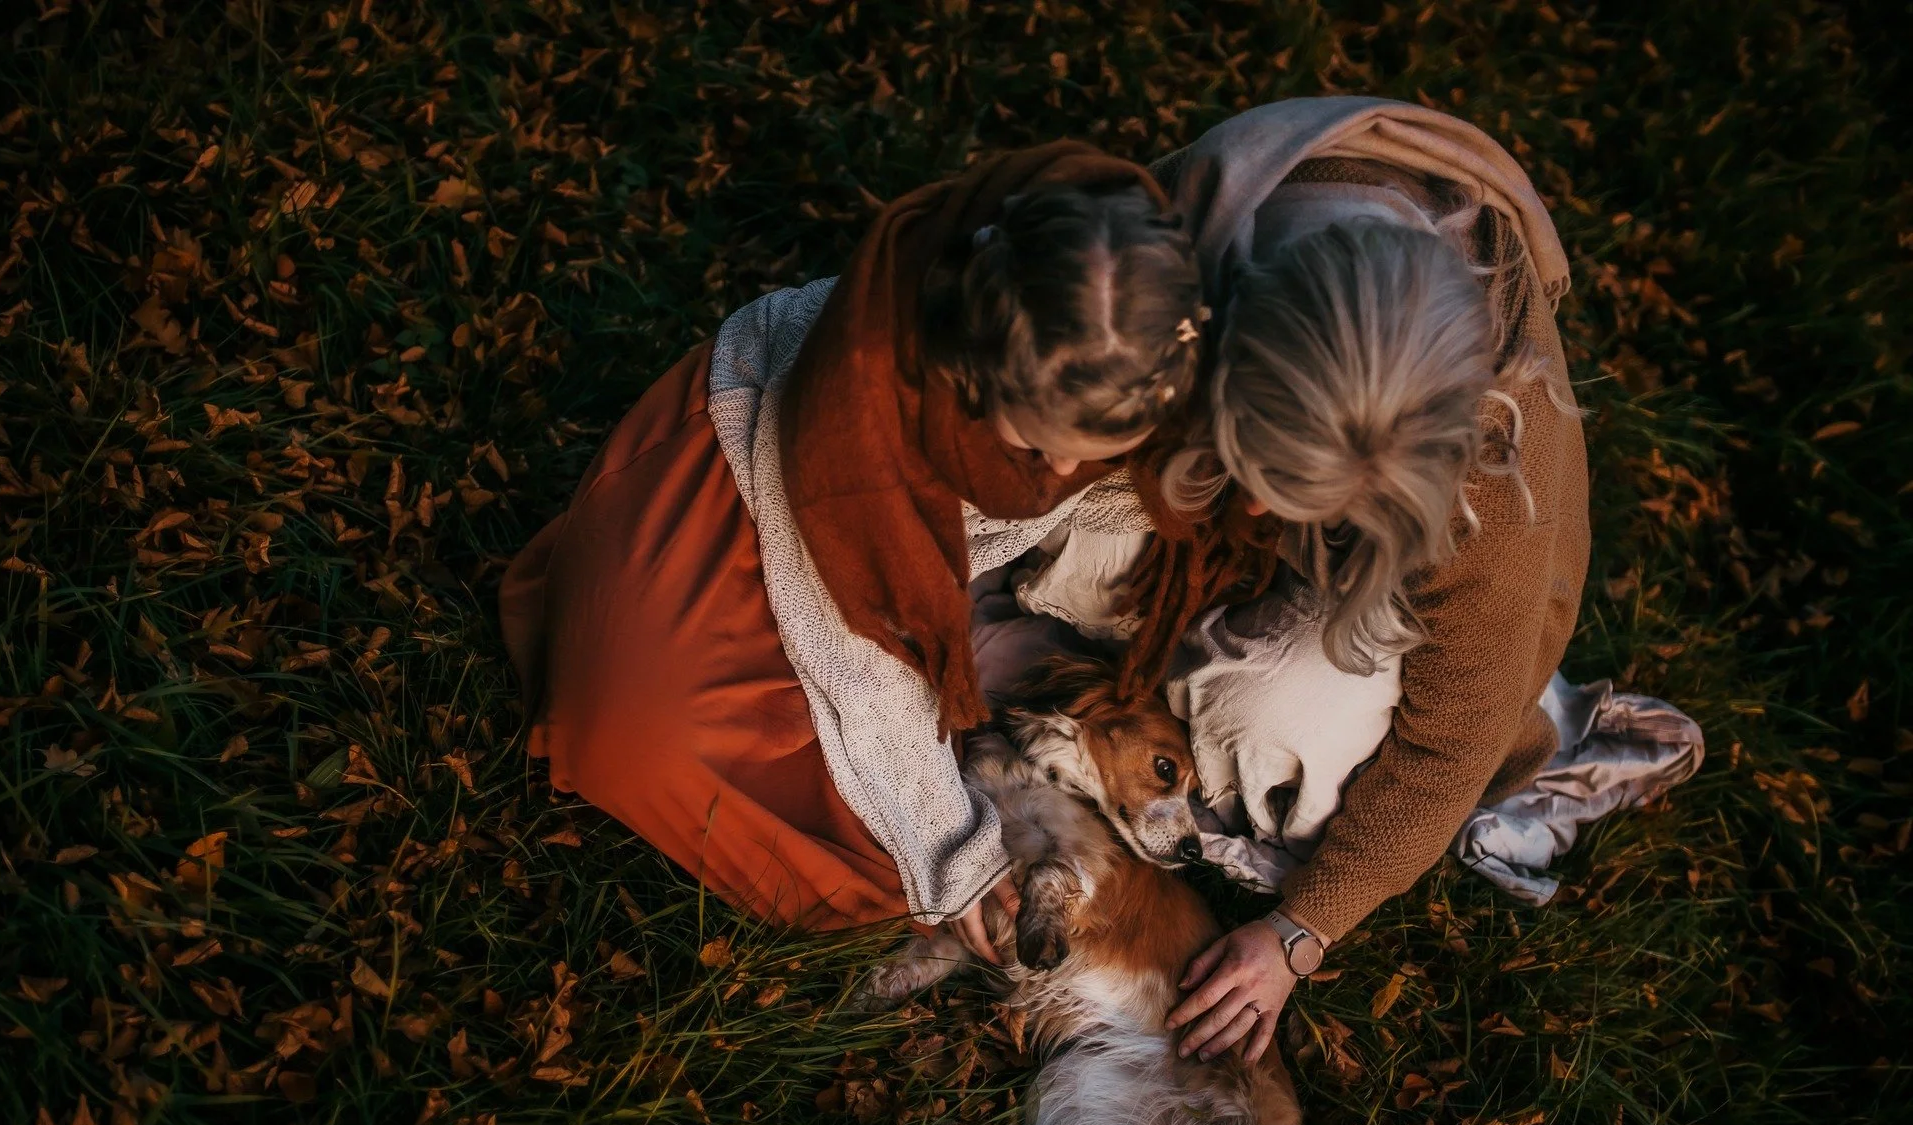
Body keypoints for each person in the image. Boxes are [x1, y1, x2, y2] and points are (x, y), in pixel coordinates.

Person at [499, 143, 1249, 961]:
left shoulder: (1138, 341)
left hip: (895, 552)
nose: (1065, 473)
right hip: (751, 493)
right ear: (975, 375)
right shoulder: (862, 412)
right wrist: (950, 853)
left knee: (894, 790)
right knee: (640, 738)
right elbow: (866, 642)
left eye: (1094, 448)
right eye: (1039, 447)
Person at [1129, 97, 1606, 1063]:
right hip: (1216, 448)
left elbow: (1448, 748)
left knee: (1272, 733)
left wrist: (1296, 932)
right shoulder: (1186, 227)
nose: (1269, 522)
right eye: (1270, 484)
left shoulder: (1488, 483)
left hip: (1385, 597)